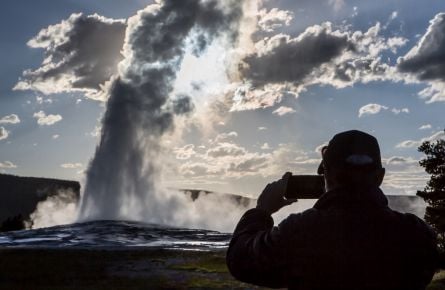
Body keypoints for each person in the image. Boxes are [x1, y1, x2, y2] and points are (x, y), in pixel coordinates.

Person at [226, 130, 438, 290]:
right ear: (380, 177)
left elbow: (240, 261)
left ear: (326, 175)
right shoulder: (415, 234)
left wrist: (262, 211)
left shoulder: (299, 231)